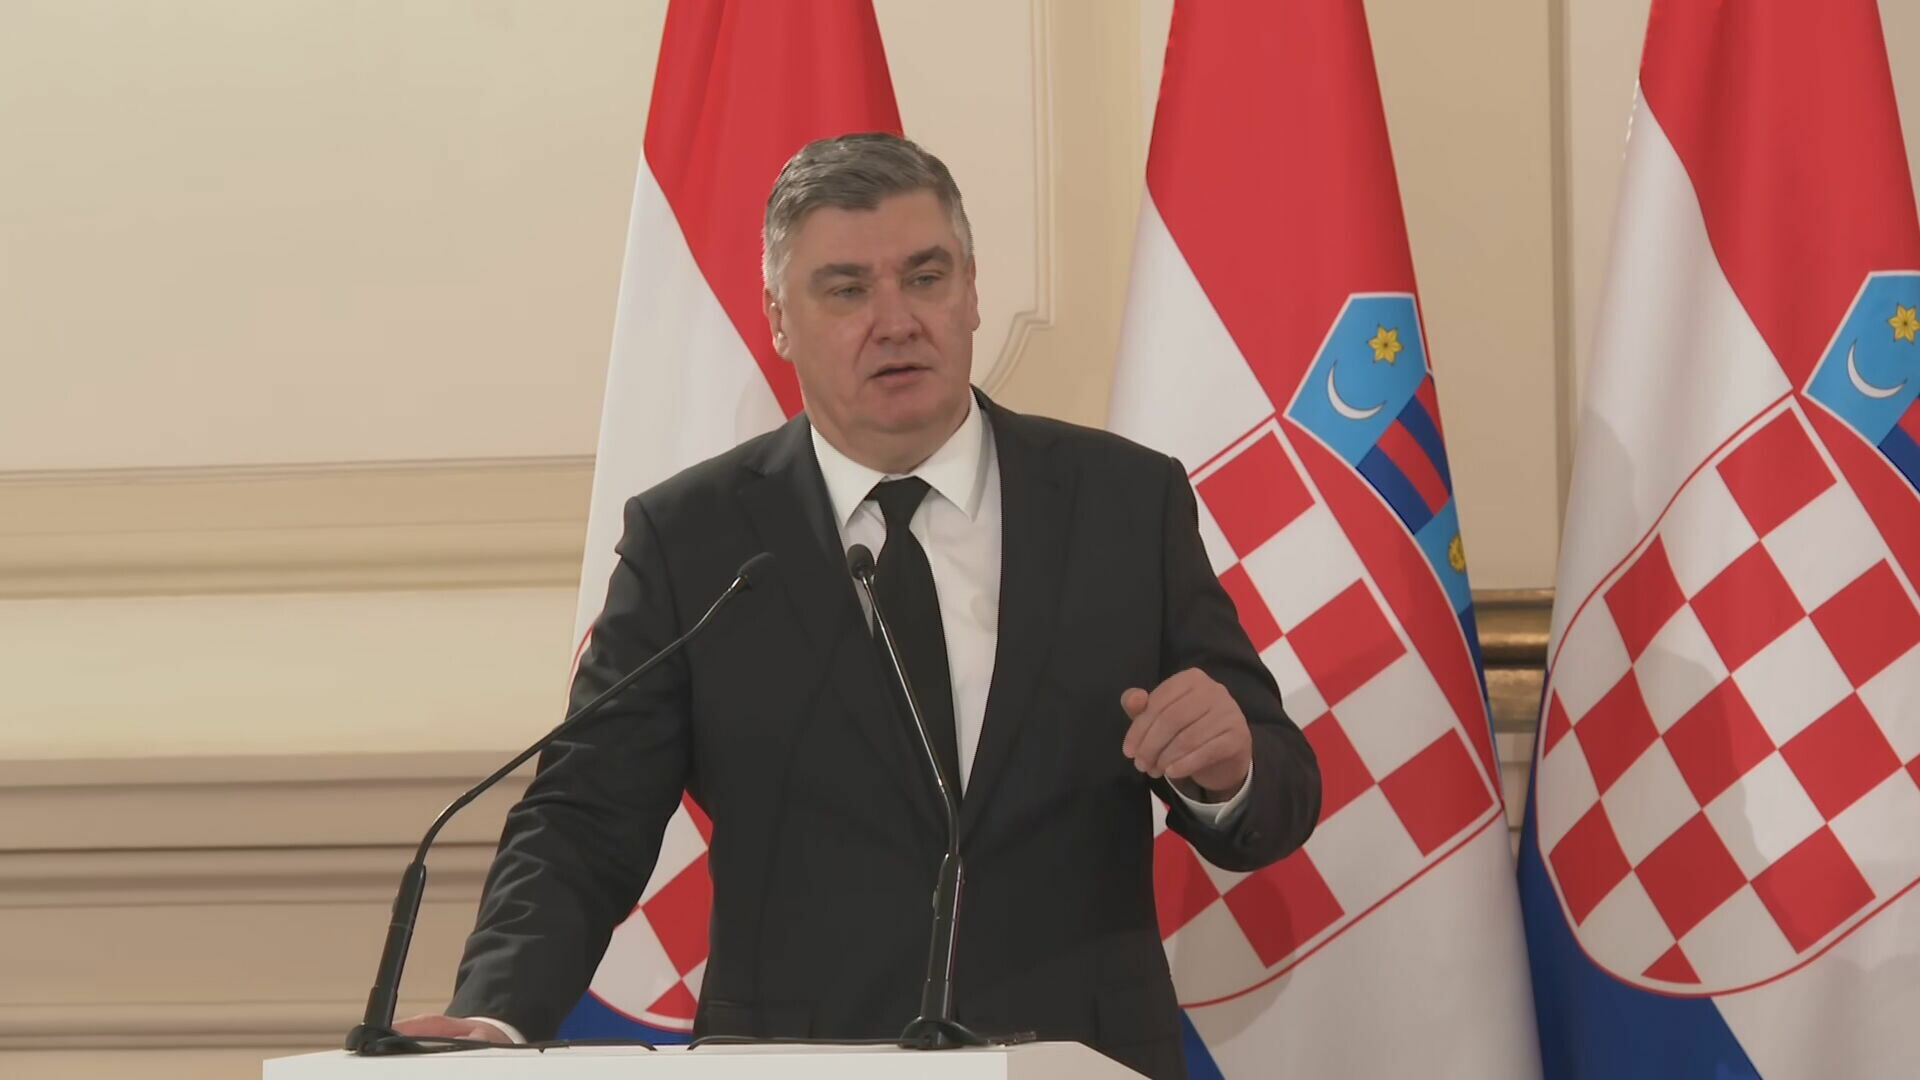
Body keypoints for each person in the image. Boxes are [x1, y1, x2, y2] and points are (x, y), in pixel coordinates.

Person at [398, 133, 1321, 1080]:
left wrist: (1232, 770)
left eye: (925, 277)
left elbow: (1277, 786)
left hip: (1080, 1057)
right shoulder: (695, 539)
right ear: (778, 319)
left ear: (971, 291)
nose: (896, 321)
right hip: (795, 1062)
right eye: (845, 290)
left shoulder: (1123, 502)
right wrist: (496, 1016)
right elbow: (586, 816)